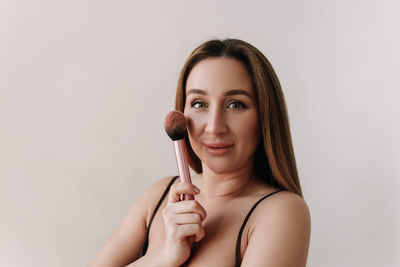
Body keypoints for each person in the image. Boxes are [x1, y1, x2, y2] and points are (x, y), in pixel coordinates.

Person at [89, 38, 311, 267]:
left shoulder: (281, 212)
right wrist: (164, 256)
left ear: (265, 117)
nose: (214, 127)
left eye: (235, 104)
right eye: (199, 104)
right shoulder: (158, 196)